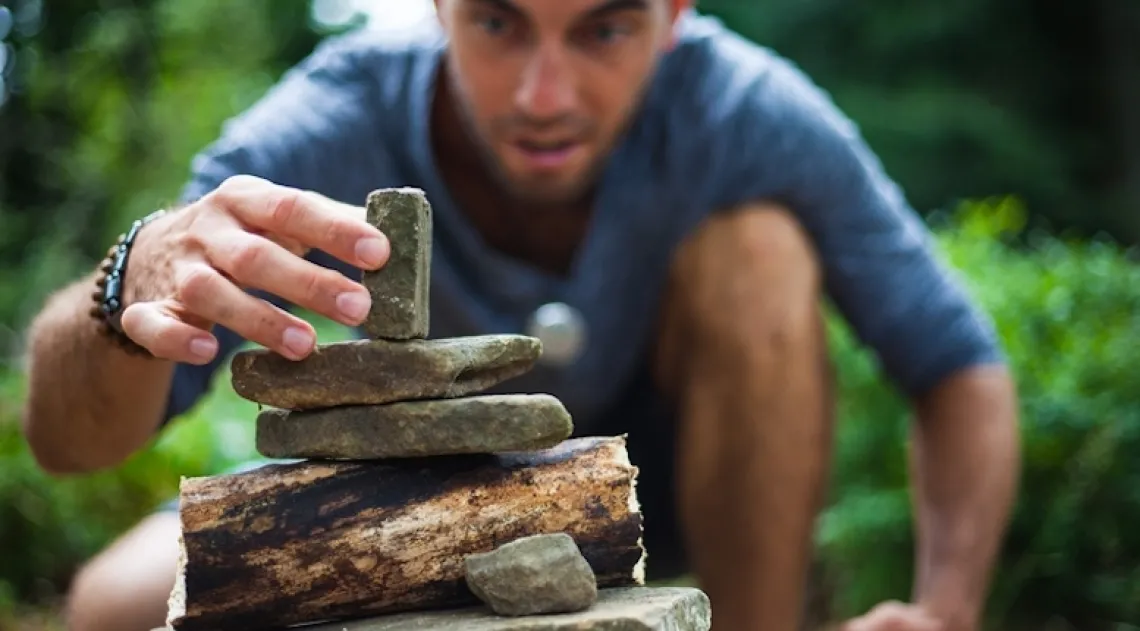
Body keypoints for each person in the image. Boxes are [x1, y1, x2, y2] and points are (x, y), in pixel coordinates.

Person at [20, 1, 1020, 630]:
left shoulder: (747, 110)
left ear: (674, 16)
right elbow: (69, 442)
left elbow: (955, 360)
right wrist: (126, 282)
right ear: (441, 10)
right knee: (114, 604)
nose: (546, 94)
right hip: (405, 501)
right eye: (500, 23)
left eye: (603, 28)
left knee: (759, 253)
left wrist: (946, 607)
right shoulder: (337, 115)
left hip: (673, 492)